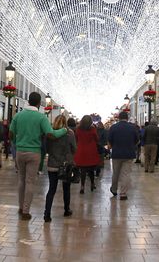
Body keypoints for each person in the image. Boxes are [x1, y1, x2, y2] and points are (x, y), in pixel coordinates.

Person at [9, 92, 67, 220]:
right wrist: (64, 130)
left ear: (28, 101)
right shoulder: (41, 118)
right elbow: (50, 134)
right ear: (39, 103)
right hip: (34, 153)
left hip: (20, 151)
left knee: (21, 180)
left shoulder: (18, 115)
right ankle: (26, 211)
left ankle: (20, 207)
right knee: (30, 181)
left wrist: (16, 143)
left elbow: (11, 133)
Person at [44, 114, 76, 222]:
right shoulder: (70, 133)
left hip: (52, 164)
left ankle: (47, 214)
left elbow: (47, 149)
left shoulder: (50, 134)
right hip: (66, 165)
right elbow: (74, 148)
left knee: (51, 189)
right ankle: (66, 210)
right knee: (66, 189)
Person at [107, 110, 139, 200]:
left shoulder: (113, 127)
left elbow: (109, 140)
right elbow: (137, 140)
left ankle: (114, 189)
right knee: (125, 174)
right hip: (129, 154)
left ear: (119, 118)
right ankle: (123, 193)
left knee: (116, 173)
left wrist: (114, 146)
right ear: (127, 118)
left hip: (116, 153)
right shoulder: (132, 127)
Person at [74, 116, 101, 194]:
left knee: (83, 170)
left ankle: (82, 186)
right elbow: (96, 139)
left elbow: (76, 138)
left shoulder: (78, 129)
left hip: (81, 151)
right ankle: (92, 184)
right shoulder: (92, 129)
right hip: (91, 151)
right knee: (91, 170)